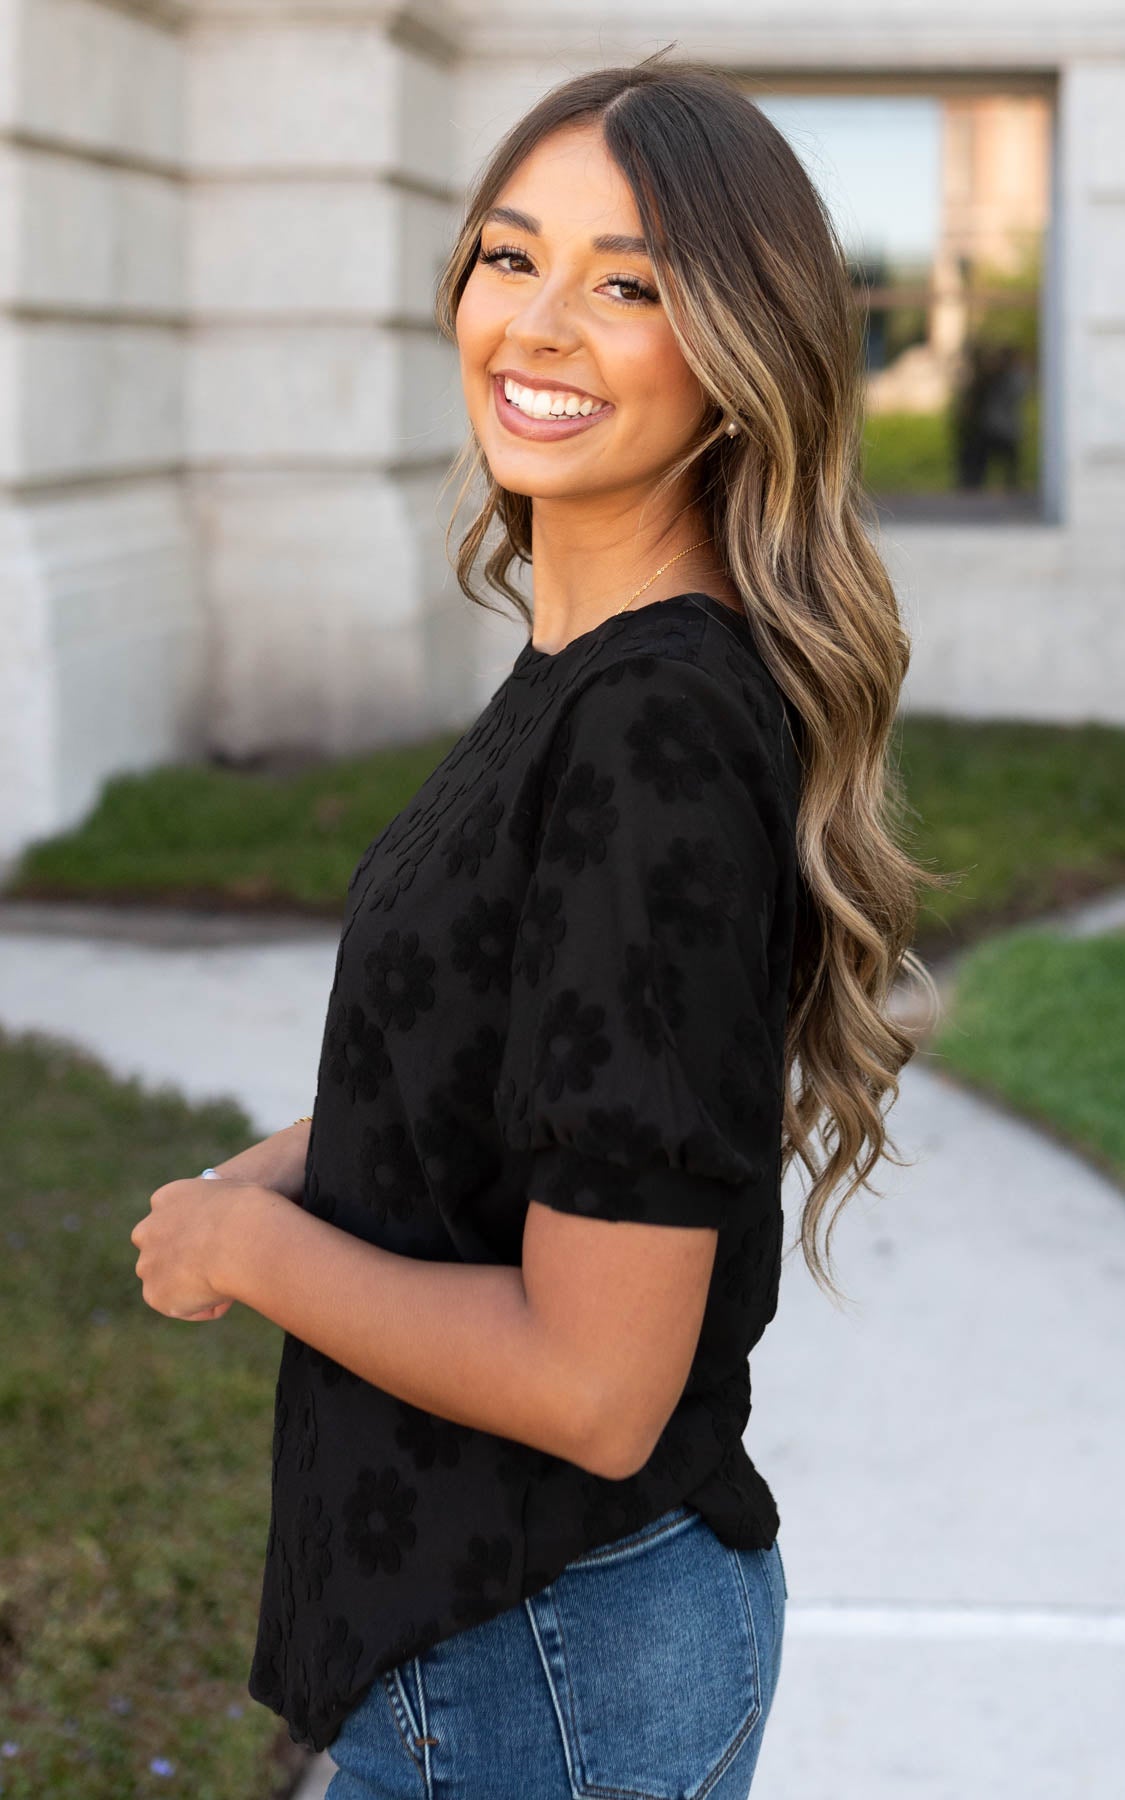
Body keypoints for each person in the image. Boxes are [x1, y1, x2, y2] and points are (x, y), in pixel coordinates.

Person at [130, 49, 932, 1800]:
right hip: (537, 1648)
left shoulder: (650, 729)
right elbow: (509, 1084)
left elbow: (593, 1384)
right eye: (512, 257)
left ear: (736, 360)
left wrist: (246, 1258)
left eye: (627, 284)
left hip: (535, 1663)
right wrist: (271, 1173)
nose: (542, 324)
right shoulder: (584, 673)